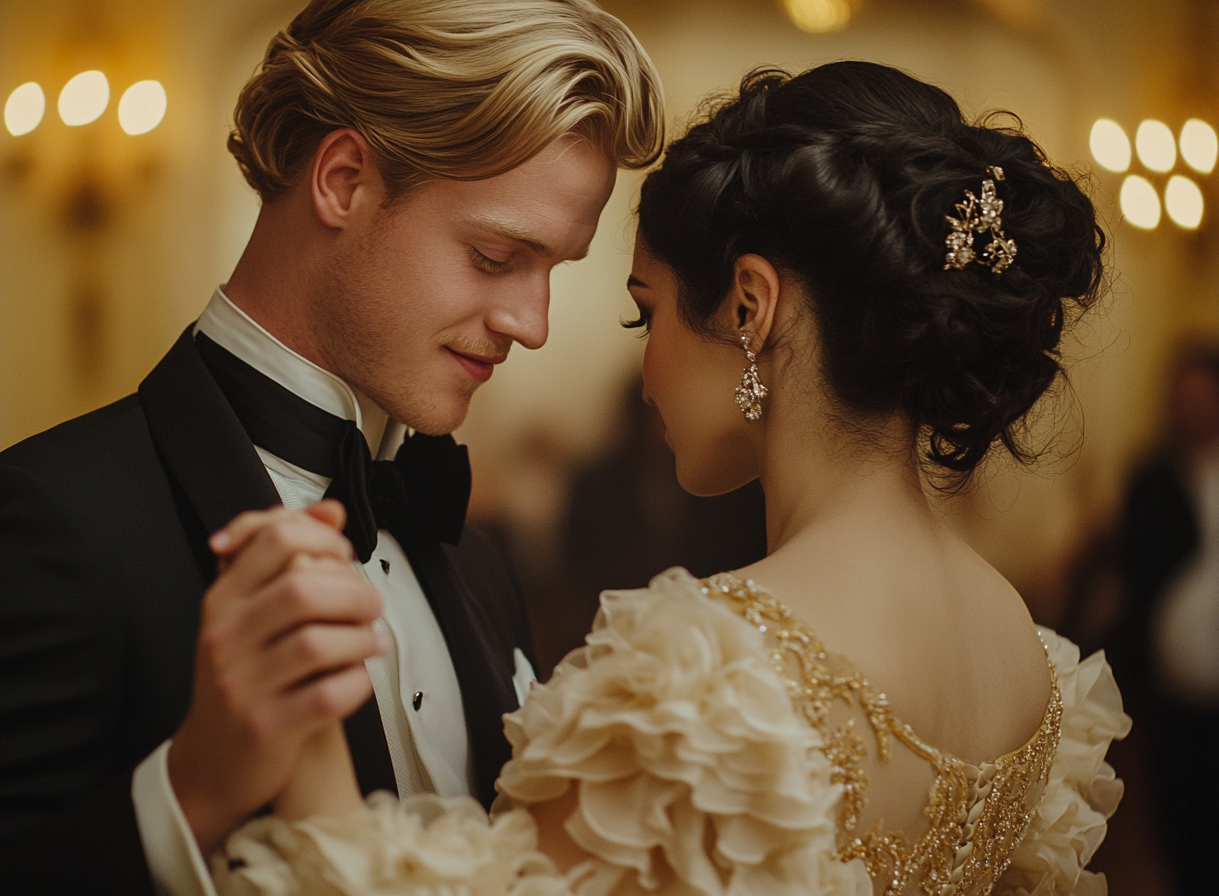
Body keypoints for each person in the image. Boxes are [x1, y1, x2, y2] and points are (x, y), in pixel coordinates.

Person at [212, 62, 1131, 896]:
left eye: (642, 315)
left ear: (749, 305)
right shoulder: (1027, 651)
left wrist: (310, 755)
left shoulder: (700, 677)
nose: (646, 370)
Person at [0, 2, 664, 894]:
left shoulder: (476, 566)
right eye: (494, 256)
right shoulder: (38, 525)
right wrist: (192, 787)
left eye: (553, 270)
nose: (534, 324)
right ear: (340, 180)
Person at [1115, 344, 1219, 895]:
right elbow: (1135, 568)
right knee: (1182, 814)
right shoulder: (1152, 476)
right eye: (1185, 400)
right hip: (1174, 687)